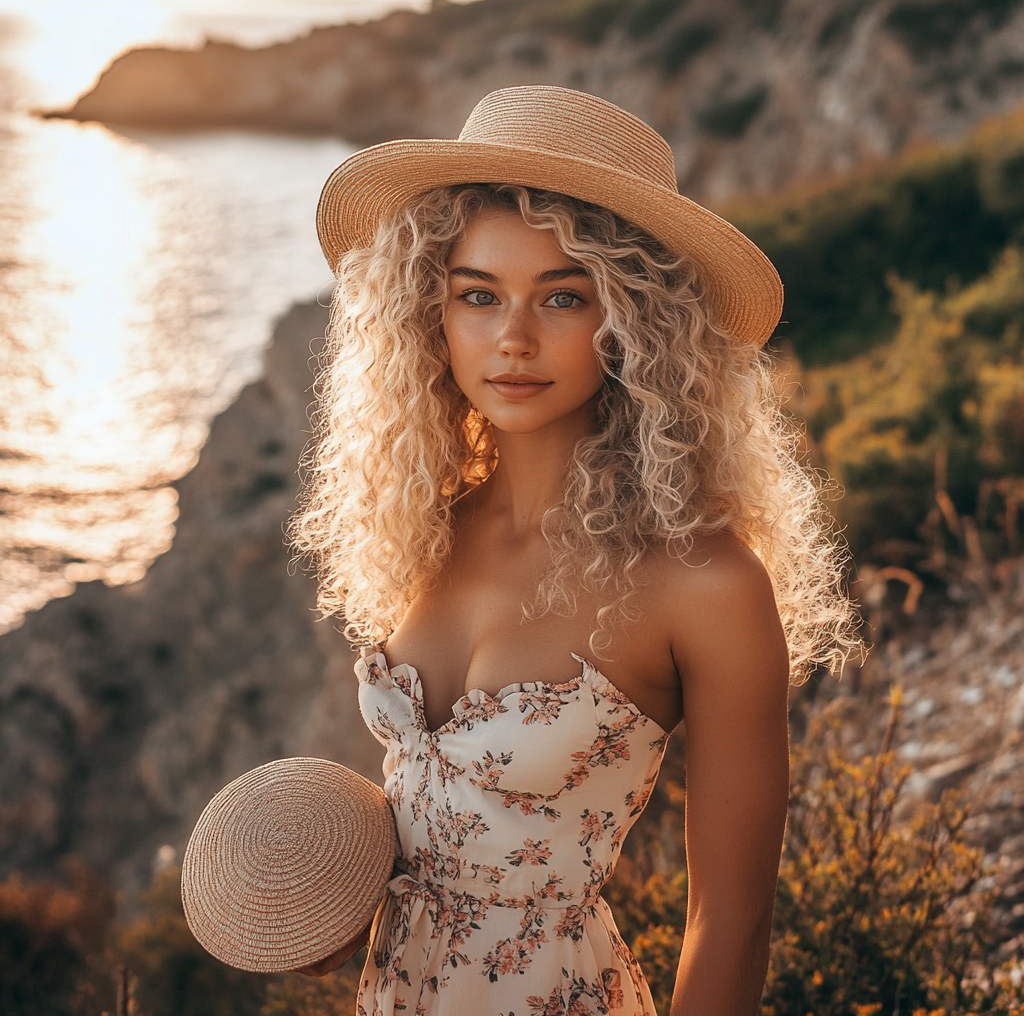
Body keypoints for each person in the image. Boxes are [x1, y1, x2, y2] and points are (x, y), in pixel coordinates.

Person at [292, 86, 858, 1015]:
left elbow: (732, 920)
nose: (513, 339)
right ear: (431, 314)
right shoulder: (429, 525)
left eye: (563, 297)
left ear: (634, 322)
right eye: (479, 295)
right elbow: (449, 820)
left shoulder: (704, 582)